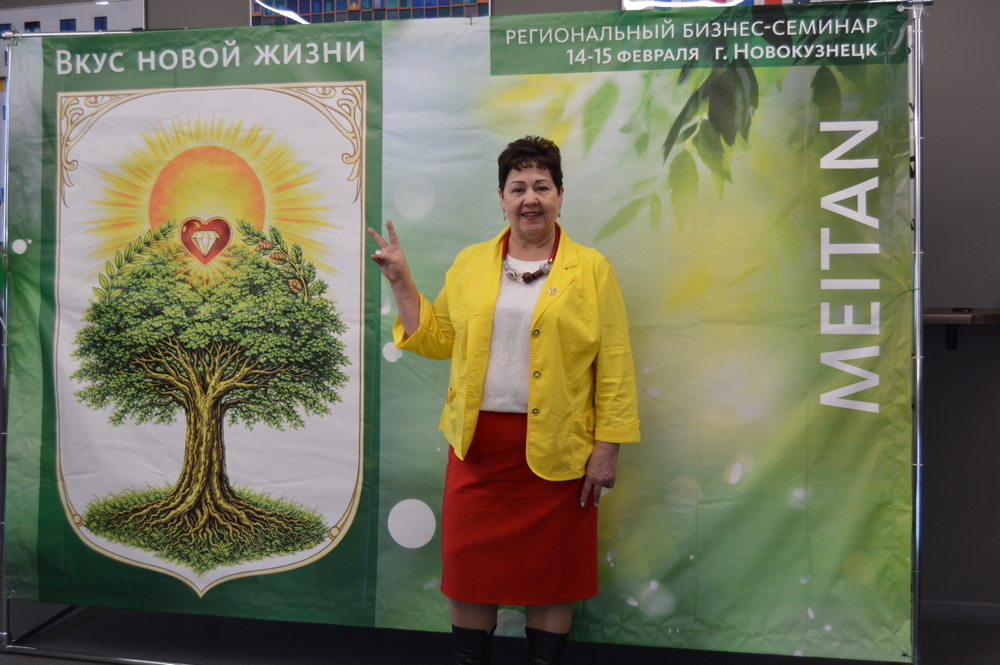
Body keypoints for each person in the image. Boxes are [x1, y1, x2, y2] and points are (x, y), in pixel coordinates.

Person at [368, 136, 640, 665]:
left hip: (558, 455)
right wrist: (402, 283)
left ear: (560, 195)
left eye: (542, 186)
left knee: (552, 581)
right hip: (478, 454)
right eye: (518, 188)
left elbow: (615, 365)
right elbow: (438, 339)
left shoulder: (592, 269)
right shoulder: (471, 263)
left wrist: (607, 447)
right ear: (501, 198)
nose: (530, 198)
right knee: (470, 577)